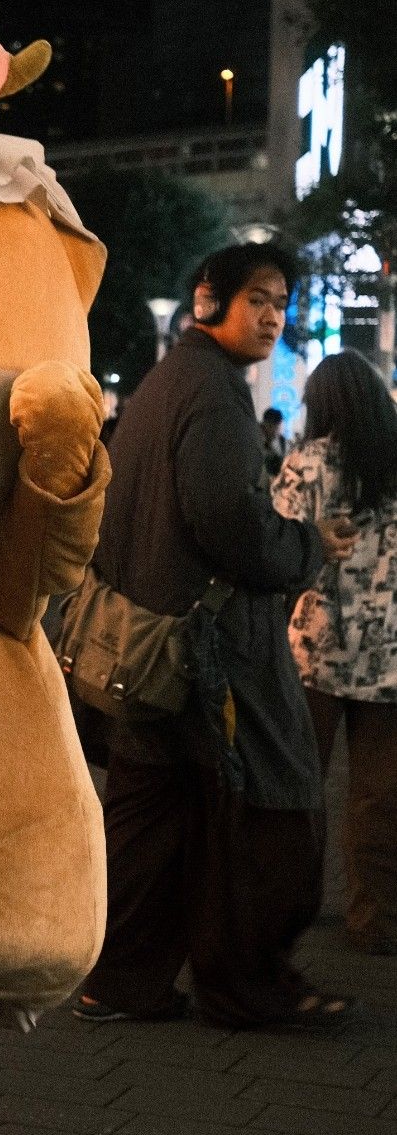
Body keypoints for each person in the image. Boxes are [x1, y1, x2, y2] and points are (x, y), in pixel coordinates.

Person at [76, 242, 358, 1030]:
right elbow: (227, 520)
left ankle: (118, 983)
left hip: (141, 644)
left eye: (280, 304)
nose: (271, 317)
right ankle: (252, 986)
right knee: (270, 808)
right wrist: (305, 546)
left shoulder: (165, 384)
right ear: (209, 299)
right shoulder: (211, 391)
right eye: (258, 298)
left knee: (149, 818)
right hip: (205, 652)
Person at [273, 350, 397, 955]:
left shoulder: (309, 464)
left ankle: (289, 906)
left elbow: (276, 543)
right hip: (391, 659)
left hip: (315, 651)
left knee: (301, 783)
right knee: (379, 794)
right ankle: (373, 919)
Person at [260, 404, 287, 478]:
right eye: (273, 426)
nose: (276, 431)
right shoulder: (256, 440)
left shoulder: (282, 441)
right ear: (265, 424)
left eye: (278, 426)